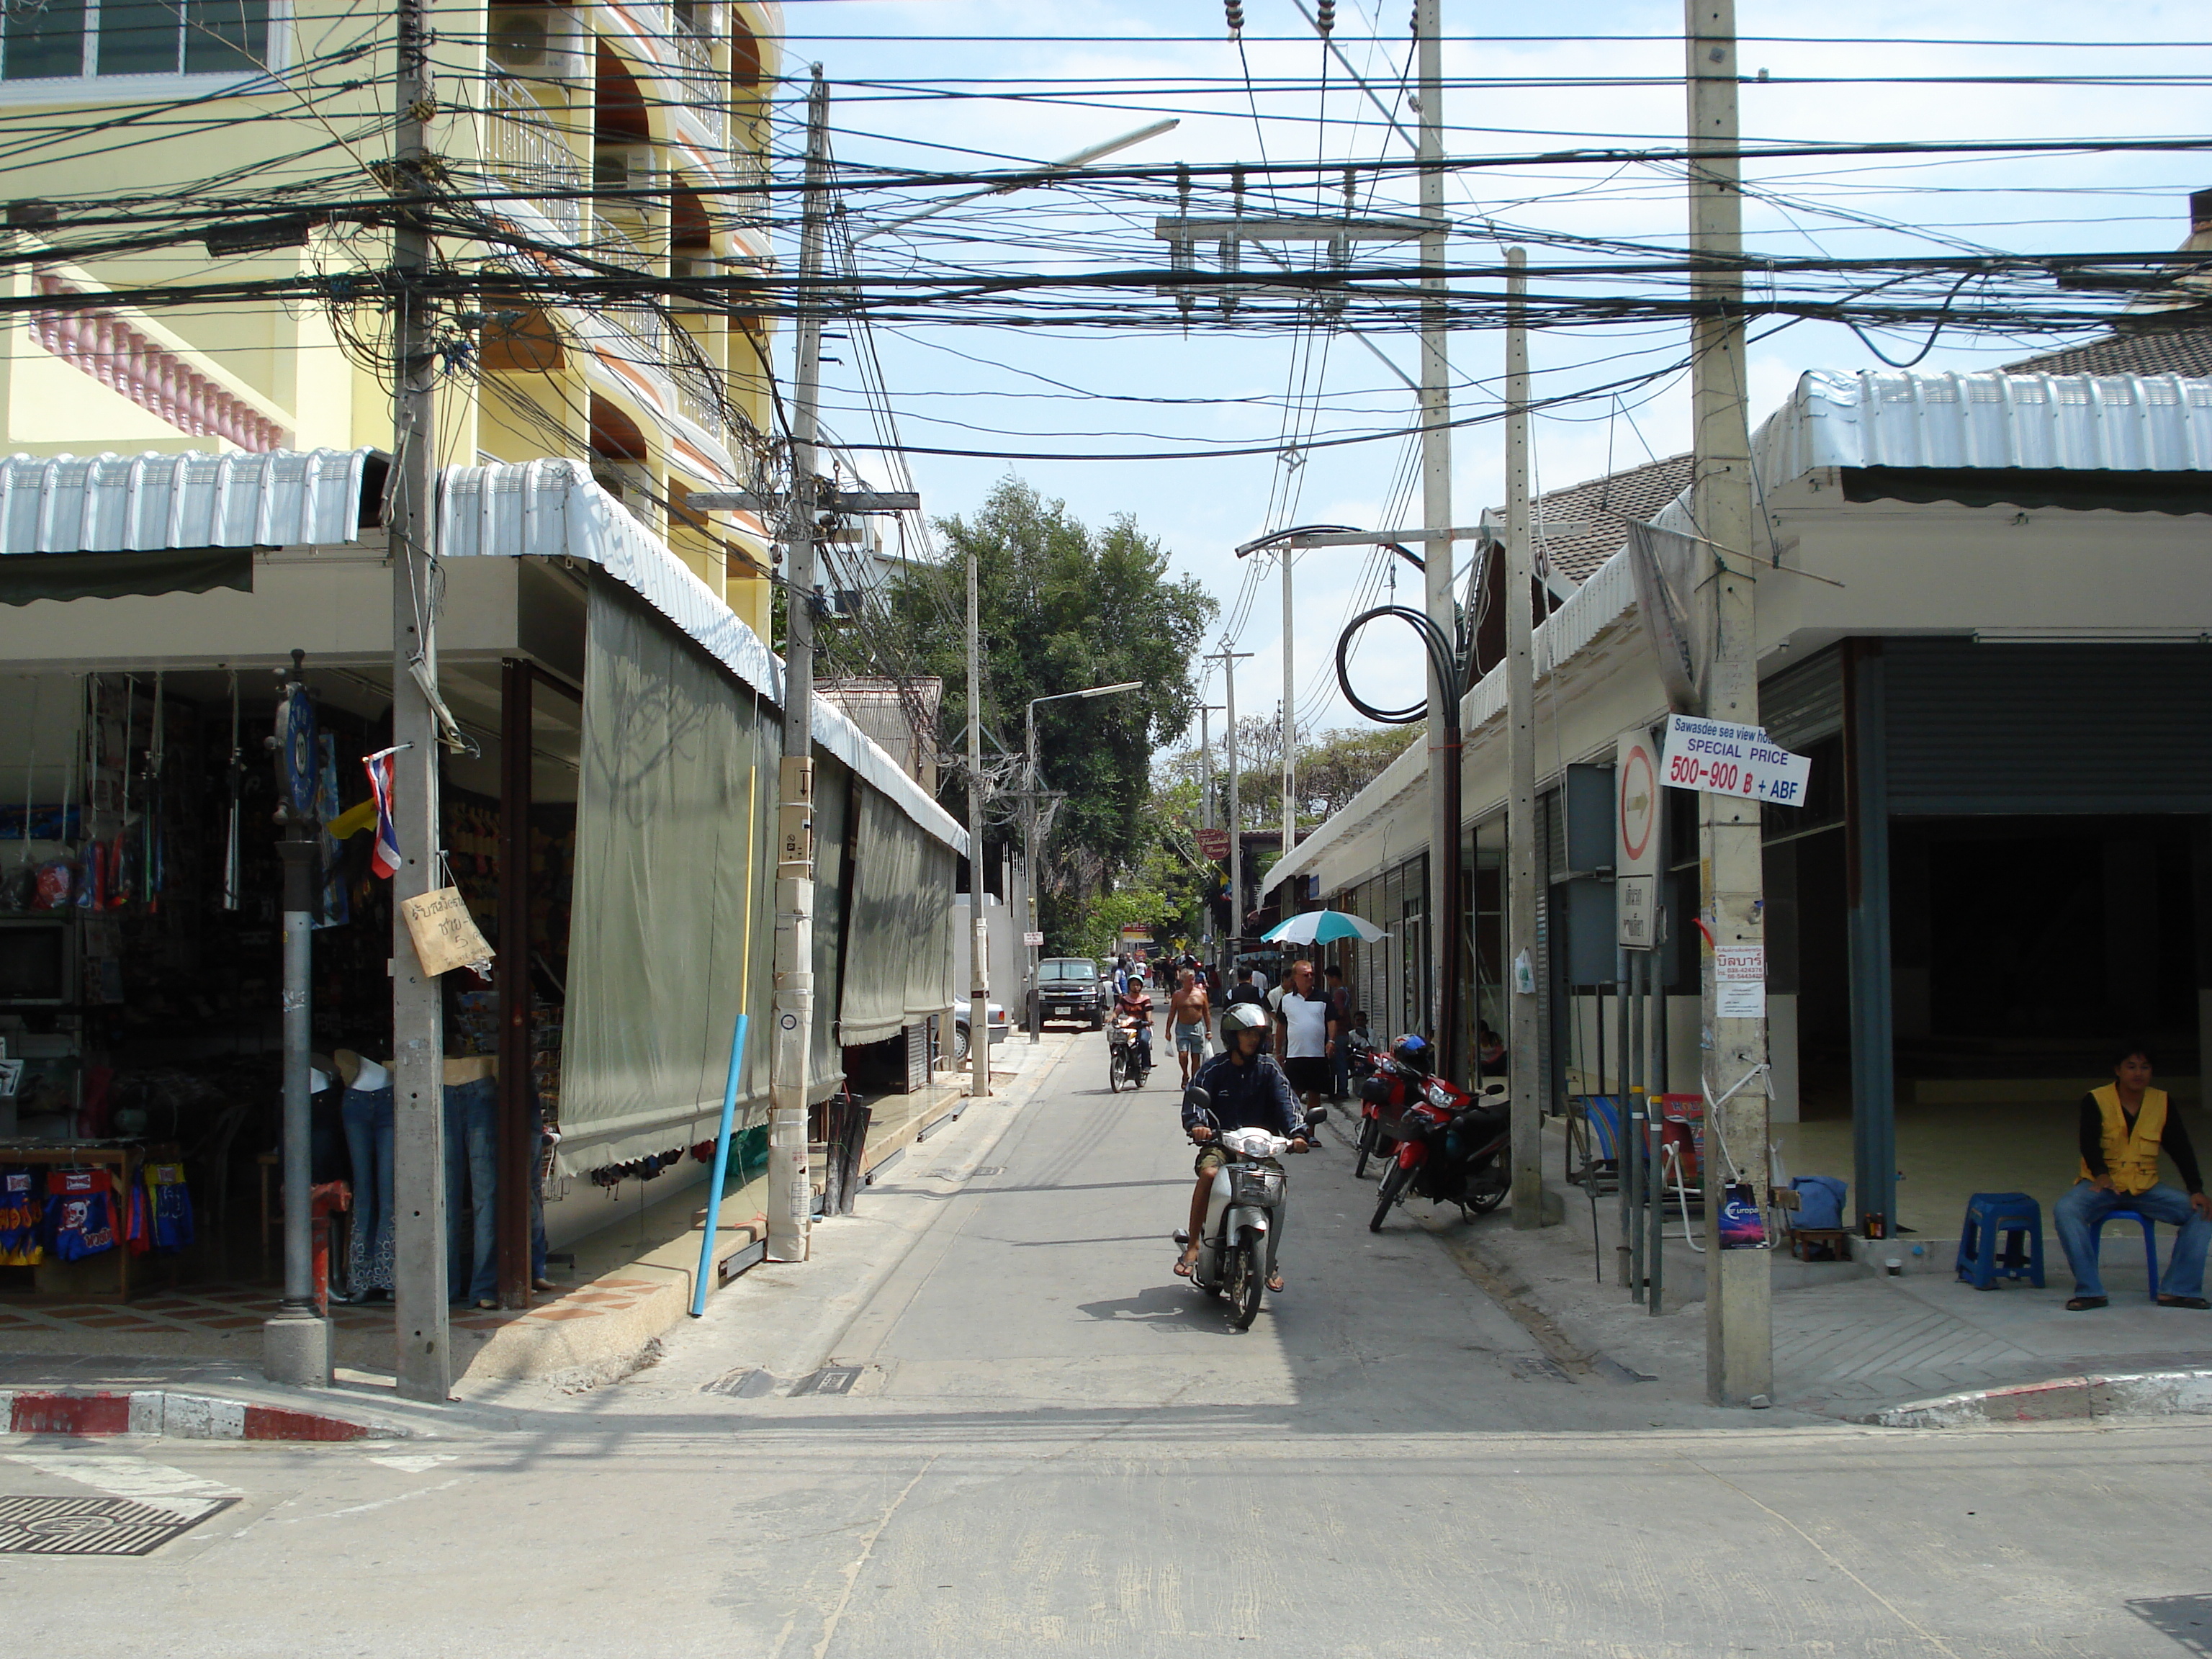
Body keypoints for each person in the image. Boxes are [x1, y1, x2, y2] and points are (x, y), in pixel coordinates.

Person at [2056, 1042, 2212, 1311]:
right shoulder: (2096, 1099)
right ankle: (2091, 1291)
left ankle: (2178, 1289)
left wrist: (2196, 1188)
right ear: (2118, 1070)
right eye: (2131, 1067)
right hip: (2103, 1187)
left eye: (2145, 1067)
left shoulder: (2161, 1101)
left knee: (2201, 1212)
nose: (2138, 1073)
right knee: (2066, 1209)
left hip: (2145, 1188)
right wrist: (2101, 1175)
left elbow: (2180, 1148)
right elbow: (2089, 1143)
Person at [1176, 1002, 1308, 1288]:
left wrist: (1298, 1134)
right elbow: (1194, 1103)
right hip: (1221, 1144)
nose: (1252, 1039)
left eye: (1257, 1034)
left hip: (1262, 1148)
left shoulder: (1269, 1069)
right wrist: (1198, 1126)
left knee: (1278, 1187)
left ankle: (1269, 1259)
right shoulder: (1214, 1070)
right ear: (1232, 1036)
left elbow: (1289, 1104)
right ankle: (1195, 1244)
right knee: (1209, 1174)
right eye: (1246, 1033)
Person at [1269, 958, 1338, 1130]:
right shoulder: (1286, 1000)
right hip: (1295, 1055)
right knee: (1294, 1095)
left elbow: (1331, 1021)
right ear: (1295, 978)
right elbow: (1281, 1027)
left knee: (1314, 1097)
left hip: (1317, 1055)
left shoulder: (1323, 998)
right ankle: (1293, 1129)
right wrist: (1278, 1052)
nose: (1309, 978)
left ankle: (1311, 1132)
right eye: (1305, 975)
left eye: (1312, 974)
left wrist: (1331, 1041)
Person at [1170, 966, 1212, 1087]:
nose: (1192, 982)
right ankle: (1185, 1073)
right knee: (1183, 1054)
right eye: (1189, 980)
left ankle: (1194, 1080)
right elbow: (1172, 1012)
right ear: (1182, 981)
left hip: (1197, 1027)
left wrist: (1209, 1030)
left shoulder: (1201, 994)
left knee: (1196, 1056)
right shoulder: (1178, 995)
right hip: (1182, 1028)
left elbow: (1206, 1012)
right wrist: (1168, 1030)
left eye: (1193, 979)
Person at [1113, 974, 1157, 1079]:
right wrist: (1111, 1017)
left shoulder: (1145, 998)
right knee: (1115, 1041)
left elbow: (1148, 1010)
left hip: (1142, 1027)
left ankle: (1146, 1065)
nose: (1136, 987)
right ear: (1129, 986)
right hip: (1127, 1027)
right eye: (1133, 985)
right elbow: (1118, 1010)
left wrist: (1148, 1020)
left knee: (1143, 1041)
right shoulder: (1124, 999)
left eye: (1138, 985)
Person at [1323, 964, 1352, 1101]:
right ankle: (1340, 1089)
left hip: (1339, 1032)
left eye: (1329, 979)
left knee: (1339, 1063)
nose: (1329, 982)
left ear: (1334, 978)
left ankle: (1342, 1090)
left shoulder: (1339, 993)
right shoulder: (1345, 991)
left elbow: (1339, 1011)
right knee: (1340, 1062)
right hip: (1344, 1031)